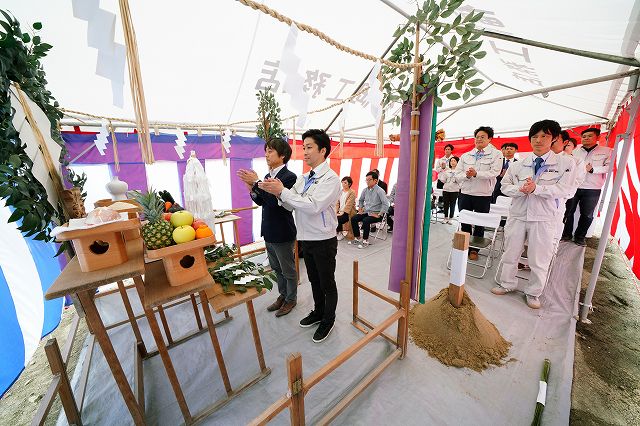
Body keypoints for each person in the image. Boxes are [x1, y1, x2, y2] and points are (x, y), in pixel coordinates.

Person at [258, 129, 341, 343]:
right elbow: (289, 202)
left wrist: (282, 192)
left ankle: (328, 319)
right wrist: (277, 192)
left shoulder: (331, 179)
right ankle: (318, 311)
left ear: (323, 150)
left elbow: (313, 206)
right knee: (314, 279)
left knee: (327, 282)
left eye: (309, 147)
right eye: (303, 147)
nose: (304, 152)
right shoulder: (305, 178)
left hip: (323, 239)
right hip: (306, 237)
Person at [492, 120, 577, 309]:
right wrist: (521, 189)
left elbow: (565, 190)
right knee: (510, 252)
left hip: (544, 218)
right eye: (534, 136)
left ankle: (533, 292)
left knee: (539, 258)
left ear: (554, 139)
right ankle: (507, 283)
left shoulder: (565, 163)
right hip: (518, 214)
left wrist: (537, 189)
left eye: (544, 136)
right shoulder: (519, 164)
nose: (538, 140)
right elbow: (505, 187)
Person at [237, 137, 297, 317]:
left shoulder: (289, 177)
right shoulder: (267, 177)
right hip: (269, 230)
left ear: (283, 155)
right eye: (266, 151)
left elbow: (275, 203)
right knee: (276, 267)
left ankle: (291, 299)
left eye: (270, 151)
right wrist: (251, 189)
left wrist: (257, 183)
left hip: (283, 231)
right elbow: (262, 202)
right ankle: (283, 295)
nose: (266, 155)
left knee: (288, 269)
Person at [454, 126, 504, 260]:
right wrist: (467, 175)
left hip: (483, 195)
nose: (479, 139)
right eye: (477, 137)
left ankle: (475, 250)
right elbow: (457, 174)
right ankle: (464, 246)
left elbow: (495, 172)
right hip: (465, 193)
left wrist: (477, 174)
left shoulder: (496, 154)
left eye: (483, 137)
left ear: (490, 139)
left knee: (479, 224)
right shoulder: (466, 155)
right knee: (465, 222)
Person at [561, 127, 612, 246]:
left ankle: (580, 237)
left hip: (593, 188)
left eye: (589, 136)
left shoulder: (607, 151)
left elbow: (611, 167)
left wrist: (594, 169)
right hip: (574, 186)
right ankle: (566, 234)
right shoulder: (576, 151)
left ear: (597, 137)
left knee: (587, 214)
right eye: (584, 136)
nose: (586, 138)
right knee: (568, 212)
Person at [349, 171, 390, 248]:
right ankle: (358, 237)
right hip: (367, 212)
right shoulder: (365, 190)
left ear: (375, 180)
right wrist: (360, 208)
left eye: (369, 180)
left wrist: (379, 214)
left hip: (377, 213)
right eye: (366, 180)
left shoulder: (380, 191)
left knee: (366, 220)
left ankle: (365, 240)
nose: (367, 182)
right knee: (354, 218)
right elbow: (360, 200)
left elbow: (386, 204)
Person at [438, 156, 461, 223]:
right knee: (446, 204)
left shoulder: (459, 172)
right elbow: (442, 180)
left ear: (457, 162)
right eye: (451, 161)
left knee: (453, 204)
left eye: (454, 161)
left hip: (455, 190)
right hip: (446, 190)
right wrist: (444, 172)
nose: (452, 162)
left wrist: (455, 177)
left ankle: (451, 218)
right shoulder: (447, 171)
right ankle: (445, 217)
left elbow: (461, 181)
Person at [336, 176, 356, 241]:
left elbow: (349, 205)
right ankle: (336, 232)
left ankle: (340, 233)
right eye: (342, 182)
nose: (343, 184)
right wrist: (336, 211)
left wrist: (342, 213)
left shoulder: (352, 192)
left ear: (349, 184)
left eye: (345, 183)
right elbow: (337, 203)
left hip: (348, 212)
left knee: (339, 219)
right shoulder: (340, 192)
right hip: (340, 211)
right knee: (332, 217)